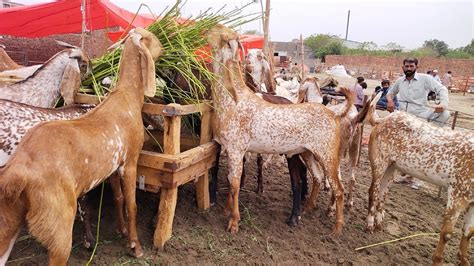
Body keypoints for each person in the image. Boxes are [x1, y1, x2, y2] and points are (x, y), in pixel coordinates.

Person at [387, 57, 450, 189]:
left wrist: (443, 104)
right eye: (407, 66)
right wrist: (390, 100)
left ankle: (430, 138)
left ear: (416, 67)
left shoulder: (425, 79)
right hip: (404, 116)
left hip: (421, 115)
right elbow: (390, 92)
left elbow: (442, 89)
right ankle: (403, 173)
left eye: (411, 66)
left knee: (445, 114)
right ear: (403, 67)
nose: (409, 69)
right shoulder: (400, 81)